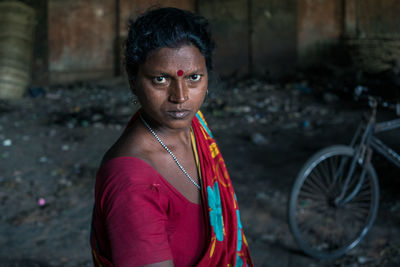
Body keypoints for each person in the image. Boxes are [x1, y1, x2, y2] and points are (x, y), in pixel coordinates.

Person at [91, 7, 253, 267]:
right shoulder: (131, 183)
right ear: (133, 82)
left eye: (194, 78)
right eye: (160, 79)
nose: (180, 97)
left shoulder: (193, 127)